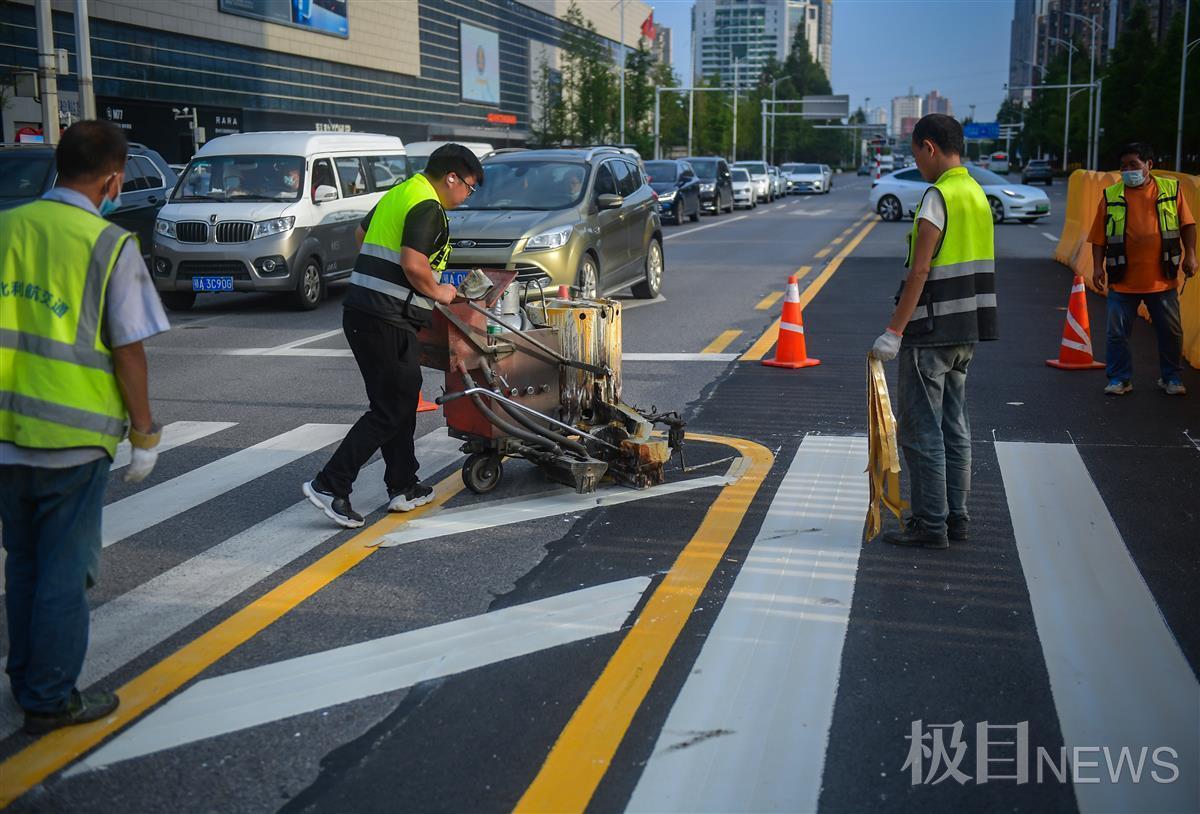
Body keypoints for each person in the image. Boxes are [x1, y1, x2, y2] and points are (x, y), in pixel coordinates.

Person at [0, 120, 169, 733]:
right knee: (64, 573)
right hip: (71, 440)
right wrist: (144, 434)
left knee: (23, 563)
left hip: (5, 436)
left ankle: (25, 680)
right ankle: (49, 698)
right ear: (114, 179)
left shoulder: (6, 226)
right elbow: (129, 350)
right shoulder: (109, 245)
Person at [304, 144, 483, 528]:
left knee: (397, 400)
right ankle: (330, 484)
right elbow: (414, 263)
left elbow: (361, 233)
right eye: (469, 186)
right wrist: (439, 292)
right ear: (451, 177)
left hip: (365, 313)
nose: (467, 195)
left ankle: (403, 485)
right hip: (385, 318)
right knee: (392, 407)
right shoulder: (427, 205)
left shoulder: (401, 192)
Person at [870, 114, 997, 550]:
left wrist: (894, 331)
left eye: (916, 155)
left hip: (931, 329)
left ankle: (929, 525)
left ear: (928, 147)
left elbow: (921, 269)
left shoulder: (938, 196)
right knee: (954, 428)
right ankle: (956, 519)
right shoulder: (976, 194)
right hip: (969, 328)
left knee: (922, 432)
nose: (918, 165)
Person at [1088, 142, 1197, 396]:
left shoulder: (1171, 190)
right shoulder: (1111, 195)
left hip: (1162, 280)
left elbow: (1188, 225)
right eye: (1123, 166)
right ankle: (1119, 379)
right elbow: (1099, 238)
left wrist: (1191, 255)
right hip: (1122, 279)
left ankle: (1171, 377)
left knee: (1170, 332)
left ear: (1149, 165)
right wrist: (1096, 267)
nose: (1128, 171)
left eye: (1134, 165)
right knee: (1116, 334)